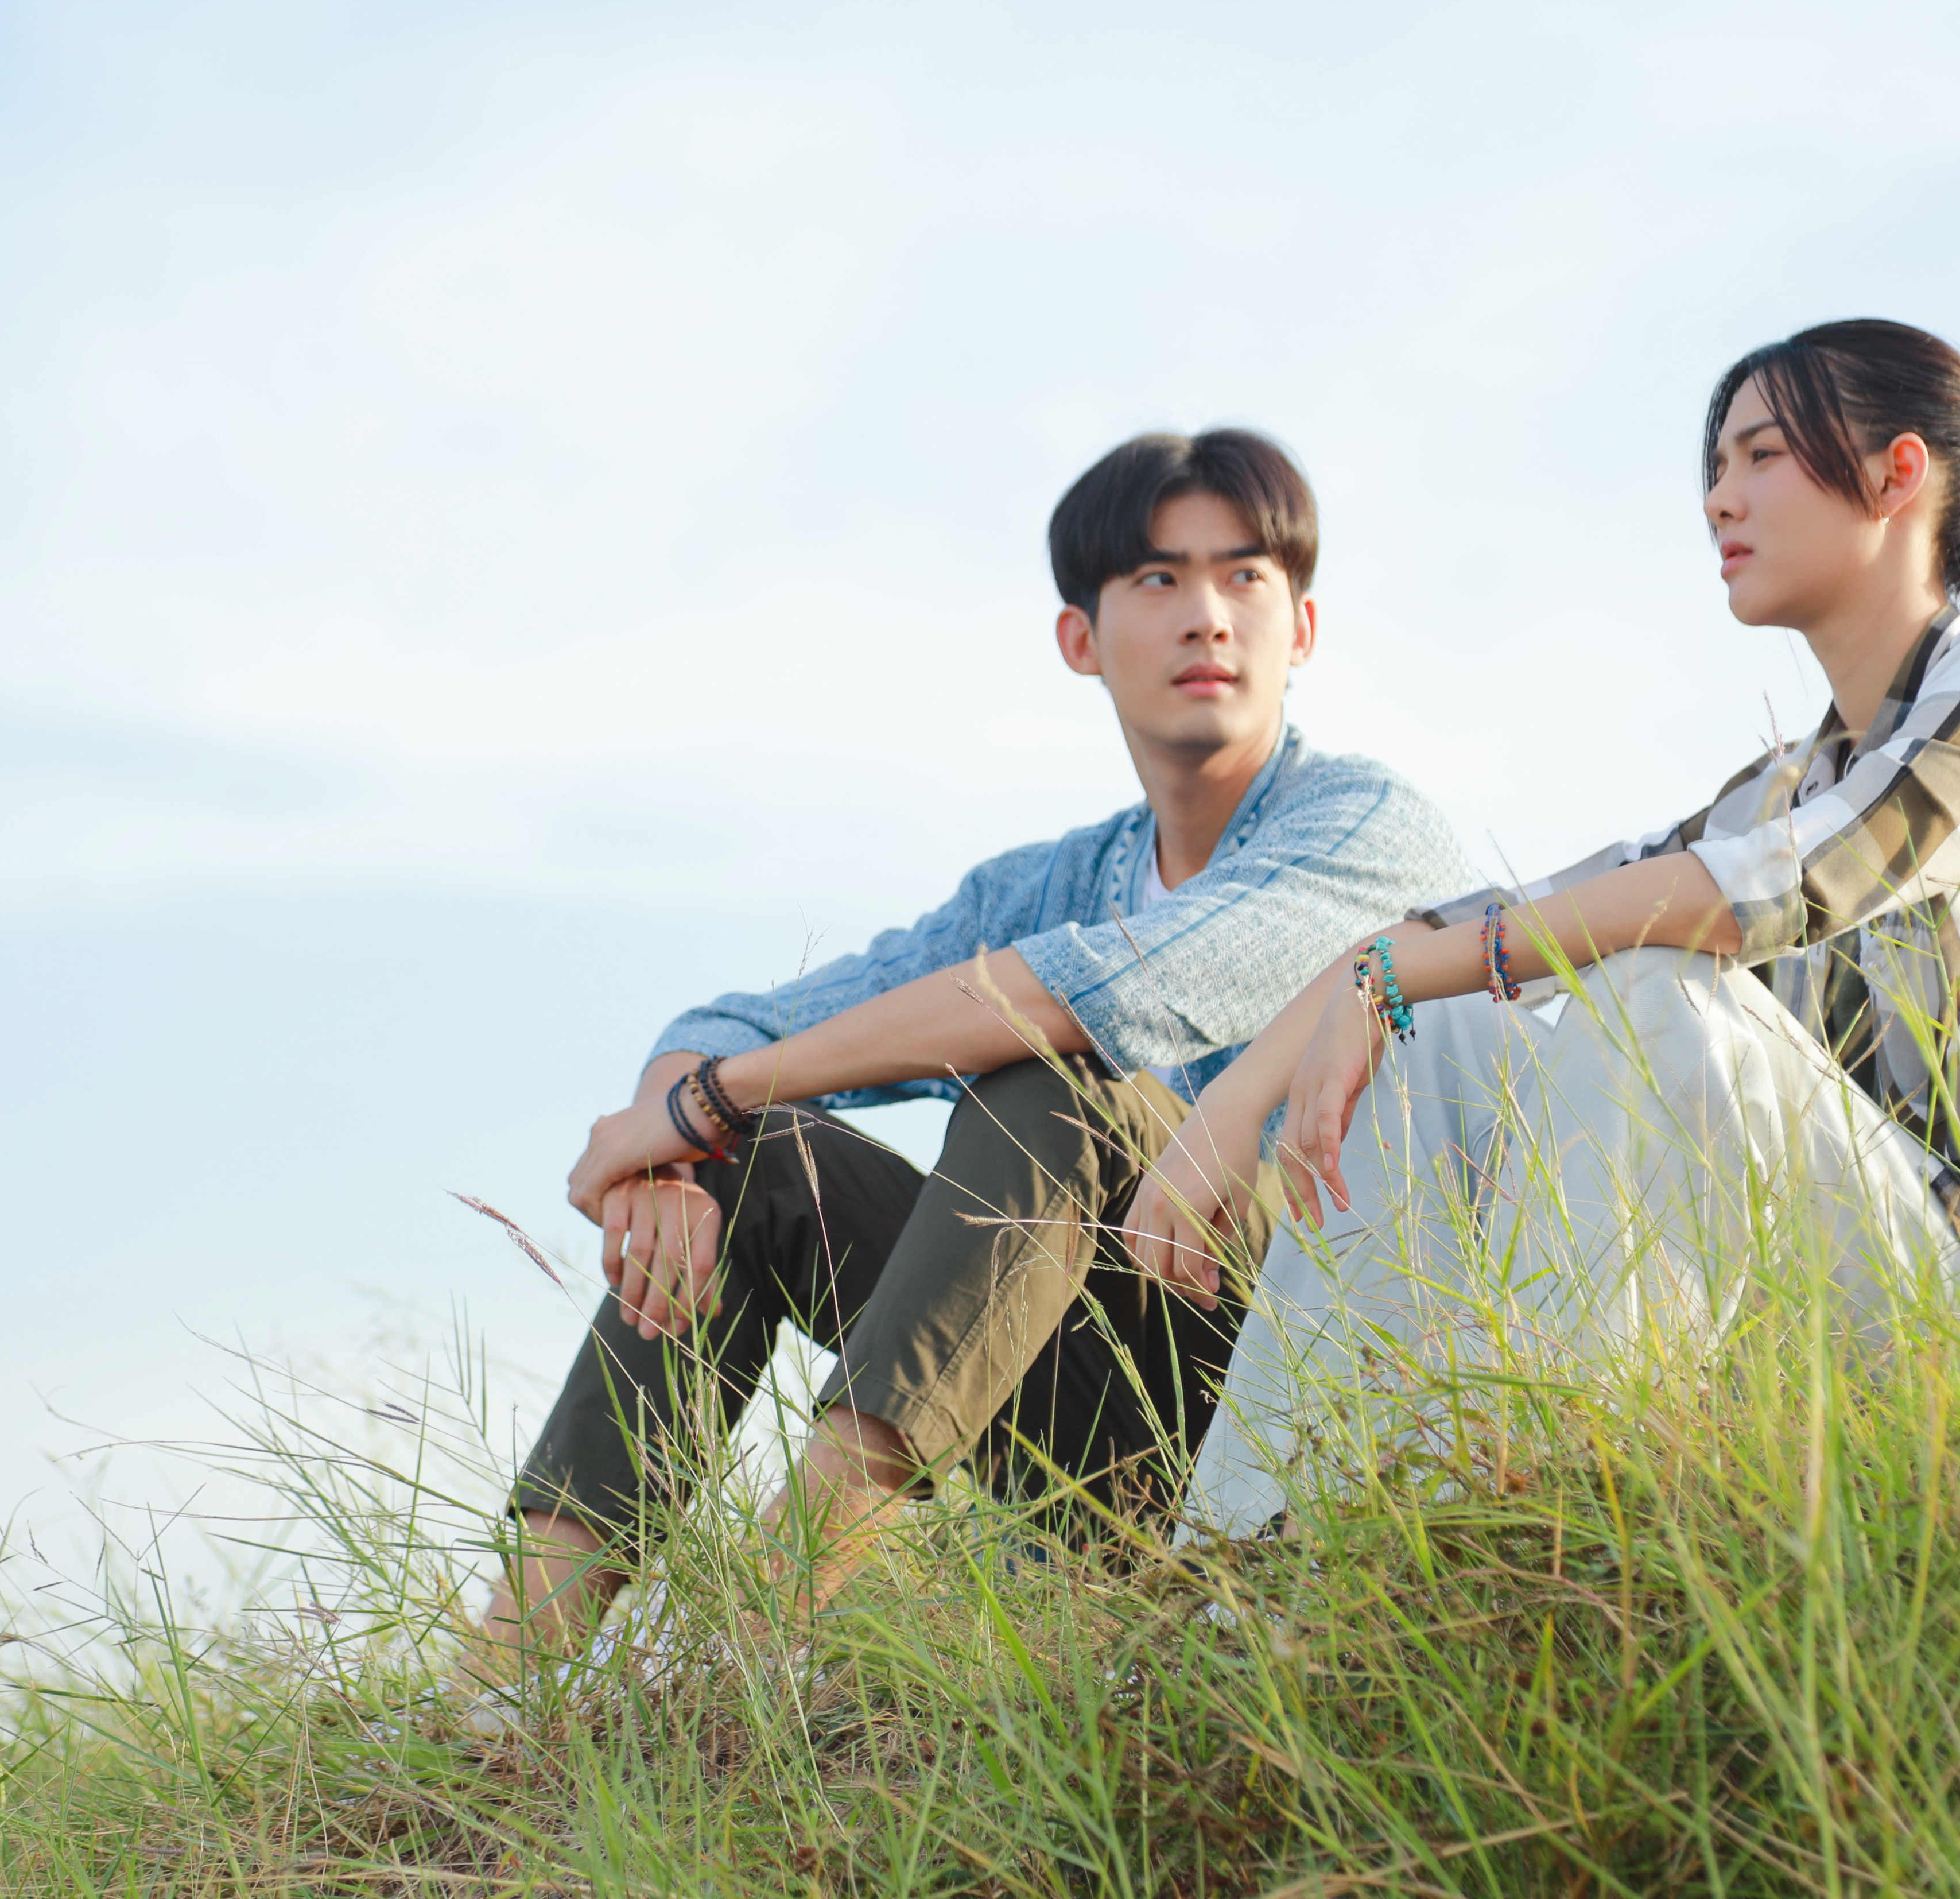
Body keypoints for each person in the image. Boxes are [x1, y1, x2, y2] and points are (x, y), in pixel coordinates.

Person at [1124, 321, 1960, 1533]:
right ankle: (1256, 1561)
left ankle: (1550, 1509)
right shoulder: (1786, 785)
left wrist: (1405, 967)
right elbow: (1488, 921)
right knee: (1443, 1031)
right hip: (1887, 1319)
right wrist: (1245, 1098)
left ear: (1898, 474)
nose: (1719, 500)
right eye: (1715, 468)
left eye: (1761, 456)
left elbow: (1775, 886)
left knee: (1647, 982)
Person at [472, 427, 1467, 1685]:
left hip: (1298, 1395)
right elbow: (742, 1022)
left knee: (1061, 1081)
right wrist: (678, 1145)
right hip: (1092, 1409)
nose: (1207, 616)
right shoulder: (1046, 882)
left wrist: (707, 1097)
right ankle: (496, 1693)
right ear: (1080, 638)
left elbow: (1102, 994)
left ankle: (764, 1630)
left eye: (1246, 577)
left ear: (1302, 627)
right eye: (1159, 579)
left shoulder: (1365, 827)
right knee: (749, 1161)